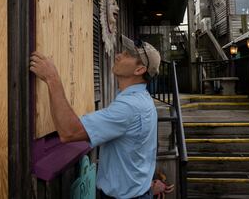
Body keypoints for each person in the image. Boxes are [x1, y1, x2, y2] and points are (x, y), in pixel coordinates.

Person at [29, 35, 161, 199]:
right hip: (139, 192)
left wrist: (52, 77)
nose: (119, 55)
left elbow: (69, 131)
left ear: (139, 70)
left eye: (127, 55)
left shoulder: (129, 107)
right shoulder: (143, 101)